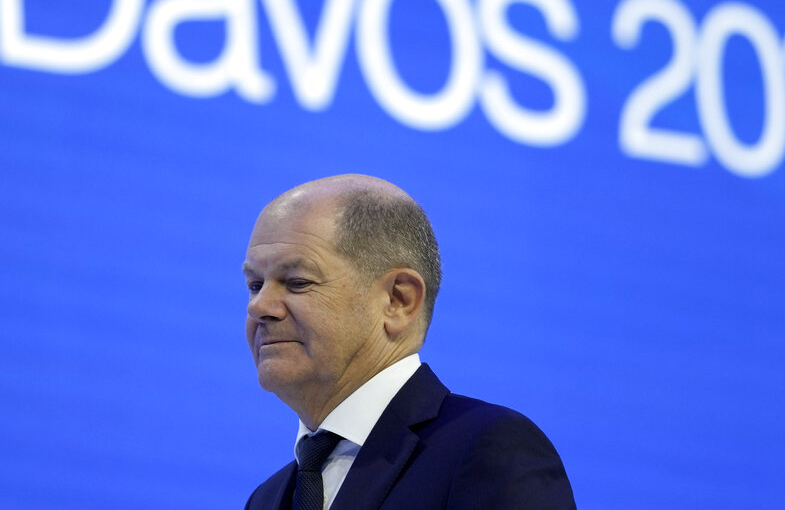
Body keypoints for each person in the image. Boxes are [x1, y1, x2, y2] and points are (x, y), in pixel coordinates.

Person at [242, 174, 576, 509]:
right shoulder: (265, 500)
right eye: (255, 285)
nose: (259, 307)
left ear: (398, 300)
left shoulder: (490, 449)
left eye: (298, 282)